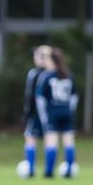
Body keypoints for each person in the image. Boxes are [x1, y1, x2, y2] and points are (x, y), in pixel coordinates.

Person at [36, 47, 78, 178]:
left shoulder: (46, 76)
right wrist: (70, 110)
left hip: (52, 113)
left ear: (52, 60)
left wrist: (43, 116)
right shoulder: (68, 75)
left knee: (51, 141)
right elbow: (74, 96)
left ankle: (49, 172)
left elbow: (40, 98)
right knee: (69, 141)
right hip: (66, 112)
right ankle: (69, 170)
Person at [20, 45, 50, 178]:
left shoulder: (34, 74)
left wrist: (26, 113)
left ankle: (31, 169)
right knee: (50, 140)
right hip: (51, 115)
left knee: (31, 139)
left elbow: (29, 95)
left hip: (37, 114)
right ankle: (48, 171)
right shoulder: (57, 73)